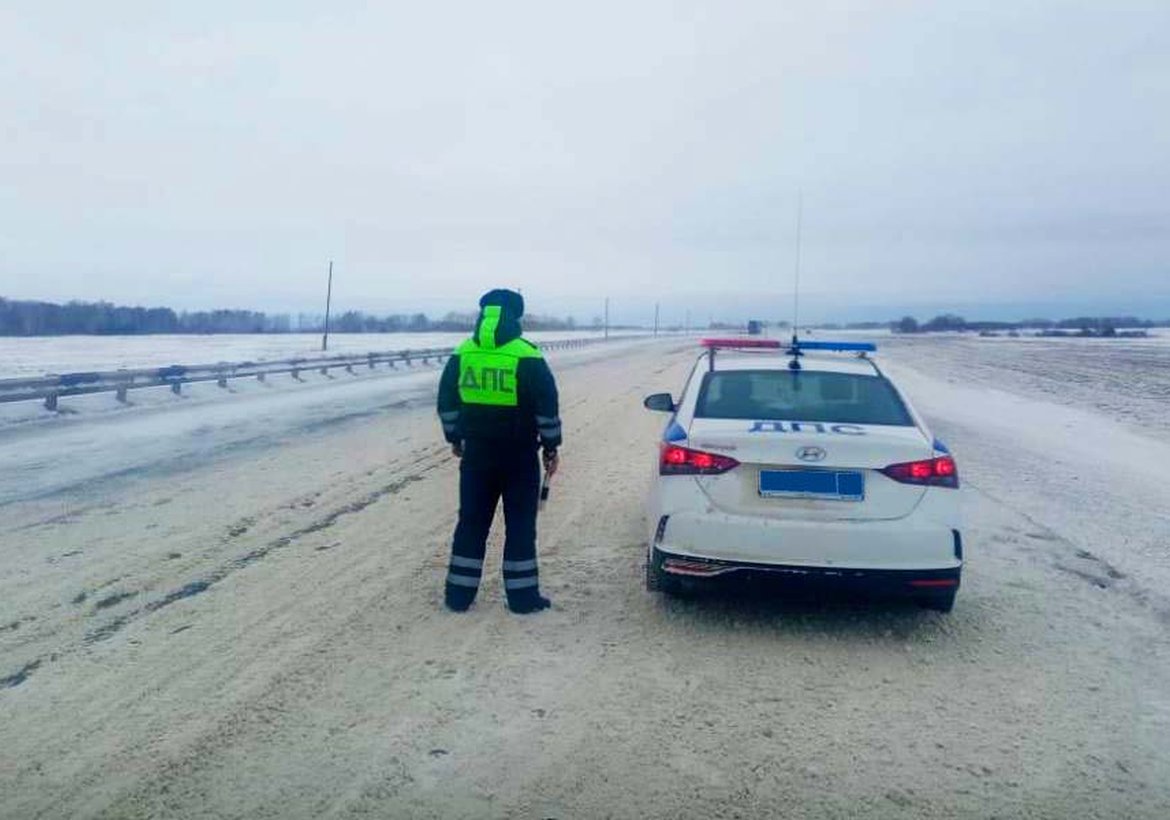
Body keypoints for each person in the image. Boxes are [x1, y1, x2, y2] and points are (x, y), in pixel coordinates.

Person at [436, 289, 562, 614]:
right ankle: (522, 599)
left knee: (471, 523)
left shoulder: (462, 353)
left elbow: (446, 403)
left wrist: (455, 437)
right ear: (516, 318)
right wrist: (551, 447)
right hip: (519, 458)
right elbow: (546, 408)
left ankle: (458, 596)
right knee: (520, 525)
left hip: (476, 455)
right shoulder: (527, 356)